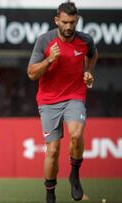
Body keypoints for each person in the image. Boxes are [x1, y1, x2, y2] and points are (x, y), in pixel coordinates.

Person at [27, 2, 98, 203]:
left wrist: (88, 72)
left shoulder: (85, 40)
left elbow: (93, 55)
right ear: (57, 20)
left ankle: (74, 175)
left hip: (74, 96)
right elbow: (31, 73)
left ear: (77, 21)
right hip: (48, 101)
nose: (68, 26)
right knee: (53, 150)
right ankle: (50, 194)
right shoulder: (44, 41)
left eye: (72, 22)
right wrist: (49, 60)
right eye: (65, 22)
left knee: (76, 135)